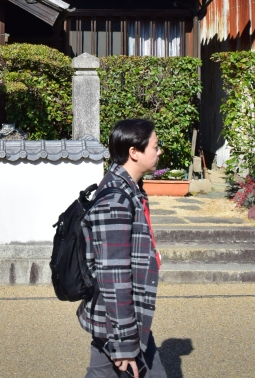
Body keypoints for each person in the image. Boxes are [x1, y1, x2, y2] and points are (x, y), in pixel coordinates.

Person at [79, 118, 166, 378]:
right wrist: (126, 344)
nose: (159, 151)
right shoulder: (117, 199)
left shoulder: (129, 189)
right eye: (155, 146)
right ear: (134, 152)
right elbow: (113, 275)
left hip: (121, 318)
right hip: (118, 319)